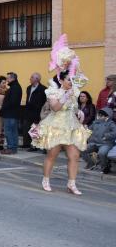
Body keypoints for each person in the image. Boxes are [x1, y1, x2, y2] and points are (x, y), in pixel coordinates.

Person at [32, 35, 91, 195]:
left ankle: (71, 184)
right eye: (69, 80)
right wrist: (65, 95)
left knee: (75, 155)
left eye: (72, 80)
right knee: (52, 155)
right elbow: (56, 108)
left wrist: (78, 111)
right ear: (62, 80)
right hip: (56, 126)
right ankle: (46, 179)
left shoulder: (74, 92)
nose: (71, 82)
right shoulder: (53, 91)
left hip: (71, 126)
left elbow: (73, 105)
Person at [82, 108, 116, 173]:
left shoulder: (111, 124)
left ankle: (105, 167)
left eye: (101, 115)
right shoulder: (95, 123)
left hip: (106, 143)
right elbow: (89, 130)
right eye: (99, 115)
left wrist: (106, 136)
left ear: (107, 116)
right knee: (83, 149)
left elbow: (114, 132)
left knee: (102, 153)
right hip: (94, 142)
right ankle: (90, 163)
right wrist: (86, 129)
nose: (99, 117)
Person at [22, 72, 47, 152]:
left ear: (37, 79)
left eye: (32, 77)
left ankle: (34, 146)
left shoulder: (43, 89)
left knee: (35, 129)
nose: (30, 79)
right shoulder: (29, 87)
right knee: (26, 127)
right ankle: (26, 144)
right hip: (28, 110)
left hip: (37, 112)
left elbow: (44, 101)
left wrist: (42, 111)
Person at [0, 72, 22, 155]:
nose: (6, 80)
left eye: (8, 78)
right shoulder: (14, 87)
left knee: (9, 131)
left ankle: (11, 148)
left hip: (10, 114)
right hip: (11, 113)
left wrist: (3, 108)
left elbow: (12, 102)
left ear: (13, 78)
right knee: (13, 131)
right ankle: (13, 147)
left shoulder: (15, 88)